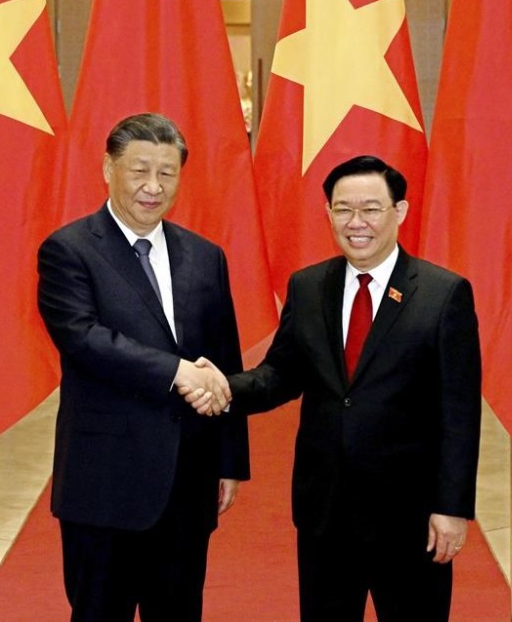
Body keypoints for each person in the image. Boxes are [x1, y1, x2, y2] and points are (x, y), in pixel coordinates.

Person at [193, 155, 482, 621]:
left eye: (371, 209)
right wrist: (220, 385)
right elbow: (279, 376)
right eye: (343, 209)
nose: (356, 222)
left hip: (410, 518)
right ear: (328, 214)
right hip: (325, 512)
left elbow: (459, 413)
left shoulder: (443, 293)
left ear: (400, 212)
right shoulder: (308, 287)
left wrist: (451, 507)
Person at [37, 112, 246, 621]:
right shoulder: (69, 250)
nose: (153, 187)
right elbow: (83, 338)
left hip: (186, 481)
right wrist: (177, 371)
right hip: (104, 483)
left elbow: (224, 358)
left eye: (166, 173)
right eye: (139, 171)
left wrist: (229, 461)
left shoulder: (205, 255)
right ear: (109, 168)